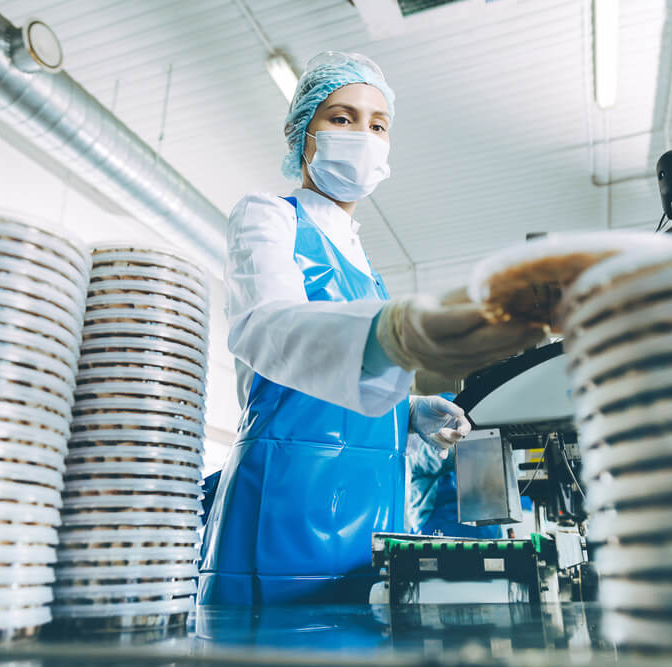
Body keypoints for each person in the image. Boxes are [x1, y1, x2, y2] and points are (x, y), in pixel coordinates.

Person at [199, 51, 544, 604]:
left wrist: (407, 411)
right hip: (287, 499)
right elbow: (268, 327)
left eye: (377, 125)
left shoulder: (370, 271)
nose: (363, 134)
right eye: (341, 118)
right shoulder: (270, 216)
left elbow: (350, 377)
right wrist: (393, 333)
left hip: (377, 509)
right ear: (301, 132)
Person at [406, 394, 502, 540]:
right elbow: (433, 457)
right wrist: (461, 442)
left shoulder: (486, 450)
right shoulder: (422, 450)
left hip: (486, 533)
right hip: (433, 531)